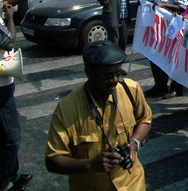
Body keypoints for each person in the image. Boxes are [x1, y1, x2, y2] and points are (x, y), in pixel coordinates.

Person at [45, 41, 152, 190]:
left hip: (133, 185)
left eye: (118, 73)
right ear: (88, 72)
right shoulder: (67, 109)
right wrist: (90, 164)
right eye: (107, 75)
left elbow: (145, 120)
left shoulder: (131, 89)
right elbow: (52, 161)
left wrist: (134, 142)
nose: (114, 80)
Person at [0, 0, 49, 191]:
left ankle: (10, 174)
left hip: (4, 79)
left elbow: (6, 2)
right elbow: (9, 42)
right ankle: (5, 182)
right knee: (11, 137)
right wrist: (11, 20)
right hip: (0, 89)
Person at [145, 0, 188, 99]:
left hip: (172, 30)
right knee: (155, 56)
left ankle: (176, 88)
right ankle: (160, 85)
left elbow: (183, 7)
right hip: (160, 29)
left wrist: (164, 5)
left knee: (173, 59)